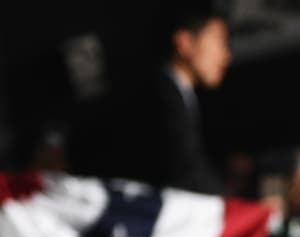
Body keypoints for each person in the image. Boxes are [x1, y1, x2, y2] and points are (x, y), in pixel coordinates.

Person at [71, 3, 231, 192]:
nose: (225, 57)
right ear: (185, 42)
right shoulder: (160, 96)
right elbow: (184, 170)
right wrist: (234, 204)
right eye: (219, 42)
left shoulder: (175, 93)